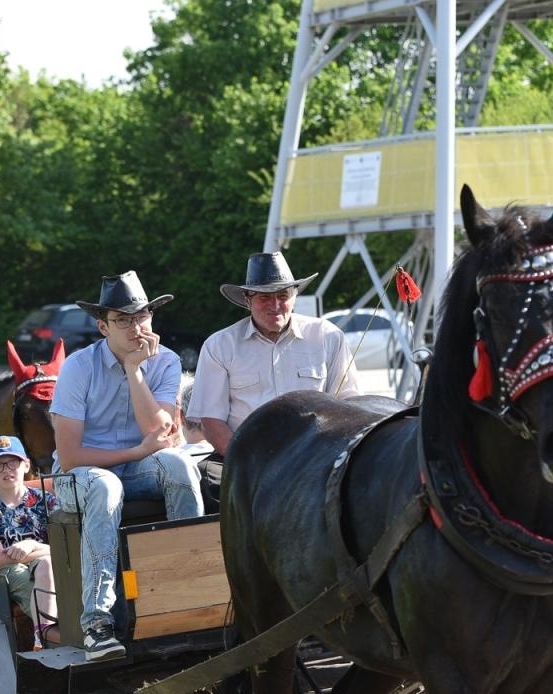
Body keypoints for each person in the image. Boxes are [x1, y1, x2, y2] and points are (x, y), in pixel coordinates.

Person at [50, 270, 203, 660]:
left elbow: (158, 431)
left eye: (142, 316)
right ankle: (97, 625)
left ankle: (187, 594)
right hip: (77, 477)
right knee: (106, 486)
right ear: (103, 327)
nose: (136, 327)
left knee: (182, 468)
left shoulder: (166, 362)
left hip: (136, 468)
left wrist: (134, 371)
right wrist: (136, 453)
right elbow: (70, 457)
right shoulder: (78, 367)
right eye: (123, 320)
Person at [187, 251, 361, 457]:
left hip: (316, 456)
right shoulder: (219, 346)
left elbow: (350, 405)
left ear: (294, 297)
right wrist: (245, 463)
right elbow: (211, 421)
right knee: (203, 474)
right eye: (265, 297)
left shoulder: (328, 336)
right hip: (247, 457)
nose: (275, 305)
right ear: (247, 301)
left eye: (283, 296)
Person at [0, 435, 58, 645]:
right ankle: (48, 634)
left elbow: (65, 547)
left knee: (47, 564)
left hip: (48, 563)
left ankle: (43, 634)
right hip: (8, 571)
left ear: (26, 465)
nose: (6, 470)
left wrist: (31, 545)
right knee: (25, 572)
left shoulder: (47, 500)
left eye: (13, 462)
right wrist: (45, 551)